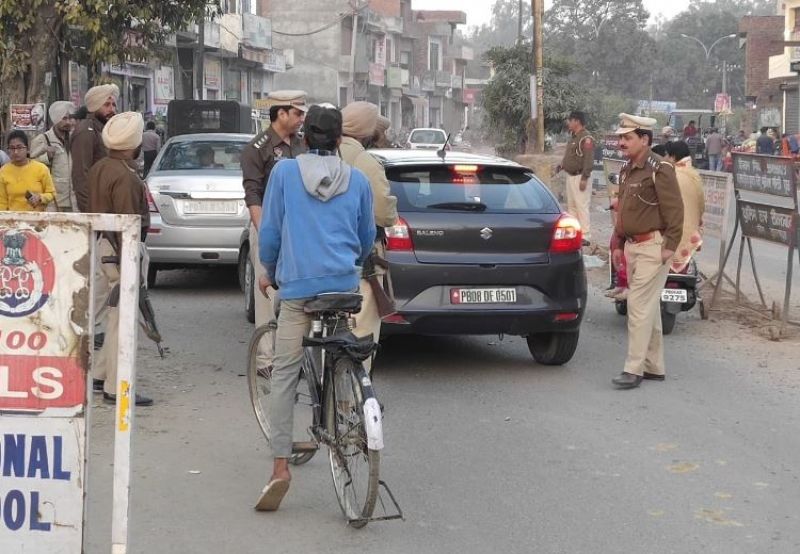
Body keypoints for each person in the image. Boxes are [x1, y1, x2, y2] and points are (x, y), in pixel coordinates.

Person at [254, 104, 375, 511]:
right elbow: (365, 237)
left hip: (299, 290)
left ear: (304, 137)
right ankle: (347, 413)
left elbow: (271, 232)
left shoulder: (284, 173)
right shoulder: (358, 180)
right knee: (342, 347)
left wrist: (269, 271)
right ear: (340, 140)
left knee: (284, 374)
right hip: (342, 286)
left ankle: (280, 468)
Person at [610, 114, 684, 390]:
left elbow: (675, 211)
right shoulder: (627, 169)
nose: (621, 142)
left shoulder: (659, 168)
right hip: (632, 246)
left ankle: (633, 369)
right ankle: (654, 367)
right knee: (648, 310)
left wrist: (670, 246)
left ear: (644, 139)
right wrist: (618, 243)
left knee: (638, 307)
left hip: (654, 246)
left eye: (627, 138)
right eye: (620, 137)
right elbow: (624, 210)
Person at [240, 90, 308, 375]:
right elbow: (253, 194)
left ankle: (291, 357)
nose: (302, 119)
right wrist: (265, 231)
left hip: (299, 229)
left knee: (294, 293)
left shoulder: (303, 145)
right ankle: (266, 360)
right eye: (297, 113)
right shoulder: (257, 148)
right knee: (267, 293)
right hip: (269, 227)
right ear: (281, 113)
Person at [88, 112, 153, 407]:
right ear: (134, 143)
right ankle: (115, 387)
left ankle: (101, 373)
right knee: (121, 319)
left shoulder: (101, 166)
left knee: (114, 316)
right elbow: (127, 224)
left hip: (104, 246)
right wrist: (129, 263)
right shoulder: (126, 176)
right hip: (119, 250)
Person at [339, 101, 399, 371]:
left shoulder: (316, 156)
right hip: (361, 258)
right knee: (362, 327)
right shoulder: (366, 162)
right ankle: (353, 388)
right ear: (366, 131)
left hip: (318, 254)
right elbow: (384, 214)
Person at [71, 84, 119, 212]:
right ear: (94, 106)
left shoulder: (103, 129)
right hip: (94, 207)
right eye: (106, 105)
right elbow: (80, 175)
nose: (112, 109)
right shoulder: (86, 130)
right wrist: (90, 211)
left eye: (114, 105)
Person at [665, 140, 705, 274]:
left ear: (673, 156)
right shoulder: (694, 174)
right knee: (682, 270)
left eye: (668, 155)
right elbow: (701, 205)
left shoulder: (670, 174)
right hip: (689, 229)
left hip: (670, 231)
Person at [556, 110, 594, 245]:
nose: (568, 123)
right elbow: (571, 156)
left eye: (570, 120)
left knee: (581, 206)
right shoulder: (574, 137)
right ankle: (574, 233)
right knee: (572, 207)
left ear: (577, 121)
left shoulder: (586, 138)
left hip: (580, 176)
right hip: (571, 176)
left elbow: (588, 160)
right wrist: (562, 165)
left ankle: (586, 236)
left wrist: (585, 178)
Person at [30, 101, 77, 211]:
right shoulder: (43, 139)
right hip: (52, 202)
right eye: (64, 118)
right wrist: (47, 157)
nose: (68, 122)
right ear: (55, 119)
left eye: (70, 118)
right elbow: (31, 165)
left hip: (73, 201)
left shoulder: (74, 139)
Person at [0, 130, 55, 212]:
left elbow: (51, 193)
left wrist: (40, 198)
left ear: (27, 149)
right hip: (13, 217)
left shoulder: (41, 169)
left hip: (37, 217)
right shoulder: (3, 171)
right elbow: (2, 202)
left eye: (19, 147)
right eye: (12, 148)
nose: (16, 152)